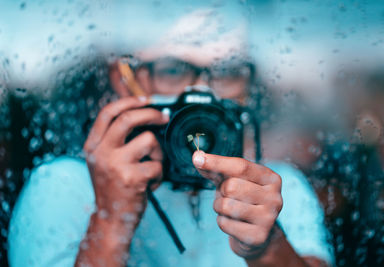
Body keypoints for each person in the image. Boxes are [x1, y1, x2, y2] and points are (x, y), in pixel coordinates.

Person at [8, 9, 333, 267]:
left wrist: (268, 248)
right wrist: (109, 223)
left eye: (226, 71)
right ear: (124, 81)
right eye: (173, 70)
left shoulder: (276, 188)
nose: (201, 92)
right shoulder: (65, 187)